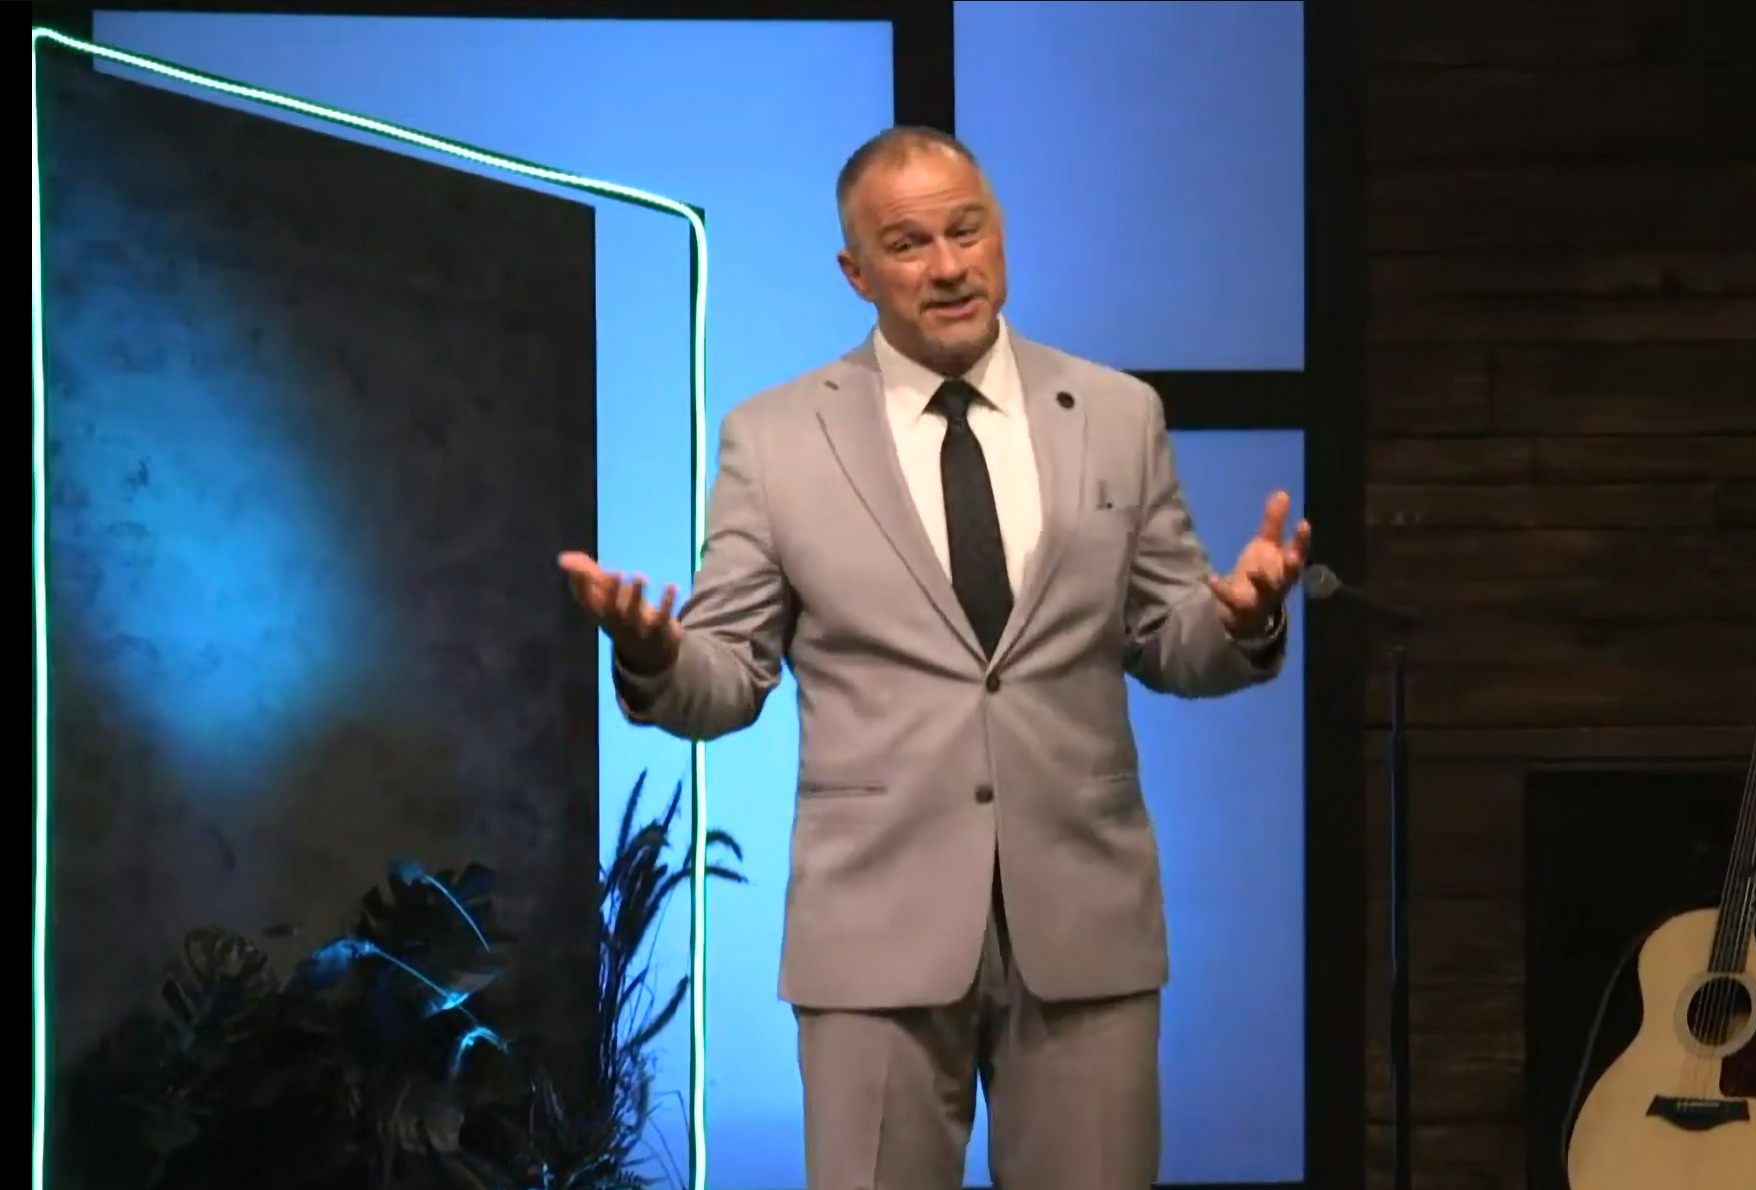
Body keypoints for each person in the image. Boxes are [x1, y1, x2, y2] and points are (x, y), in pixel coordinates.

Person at [560, 127, 1309, 1190]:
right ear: (855, 272)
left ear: (1001, 234)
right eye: (909, 244)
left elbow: (1166, 639)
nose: (950, 266)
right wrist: (654, 655)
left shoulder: (1116, 413)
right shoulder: (775, 438)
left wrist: (1242, 623)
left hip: (1085, 919)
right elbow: (728, 676)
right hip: (874, 933)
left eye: (969, 230)